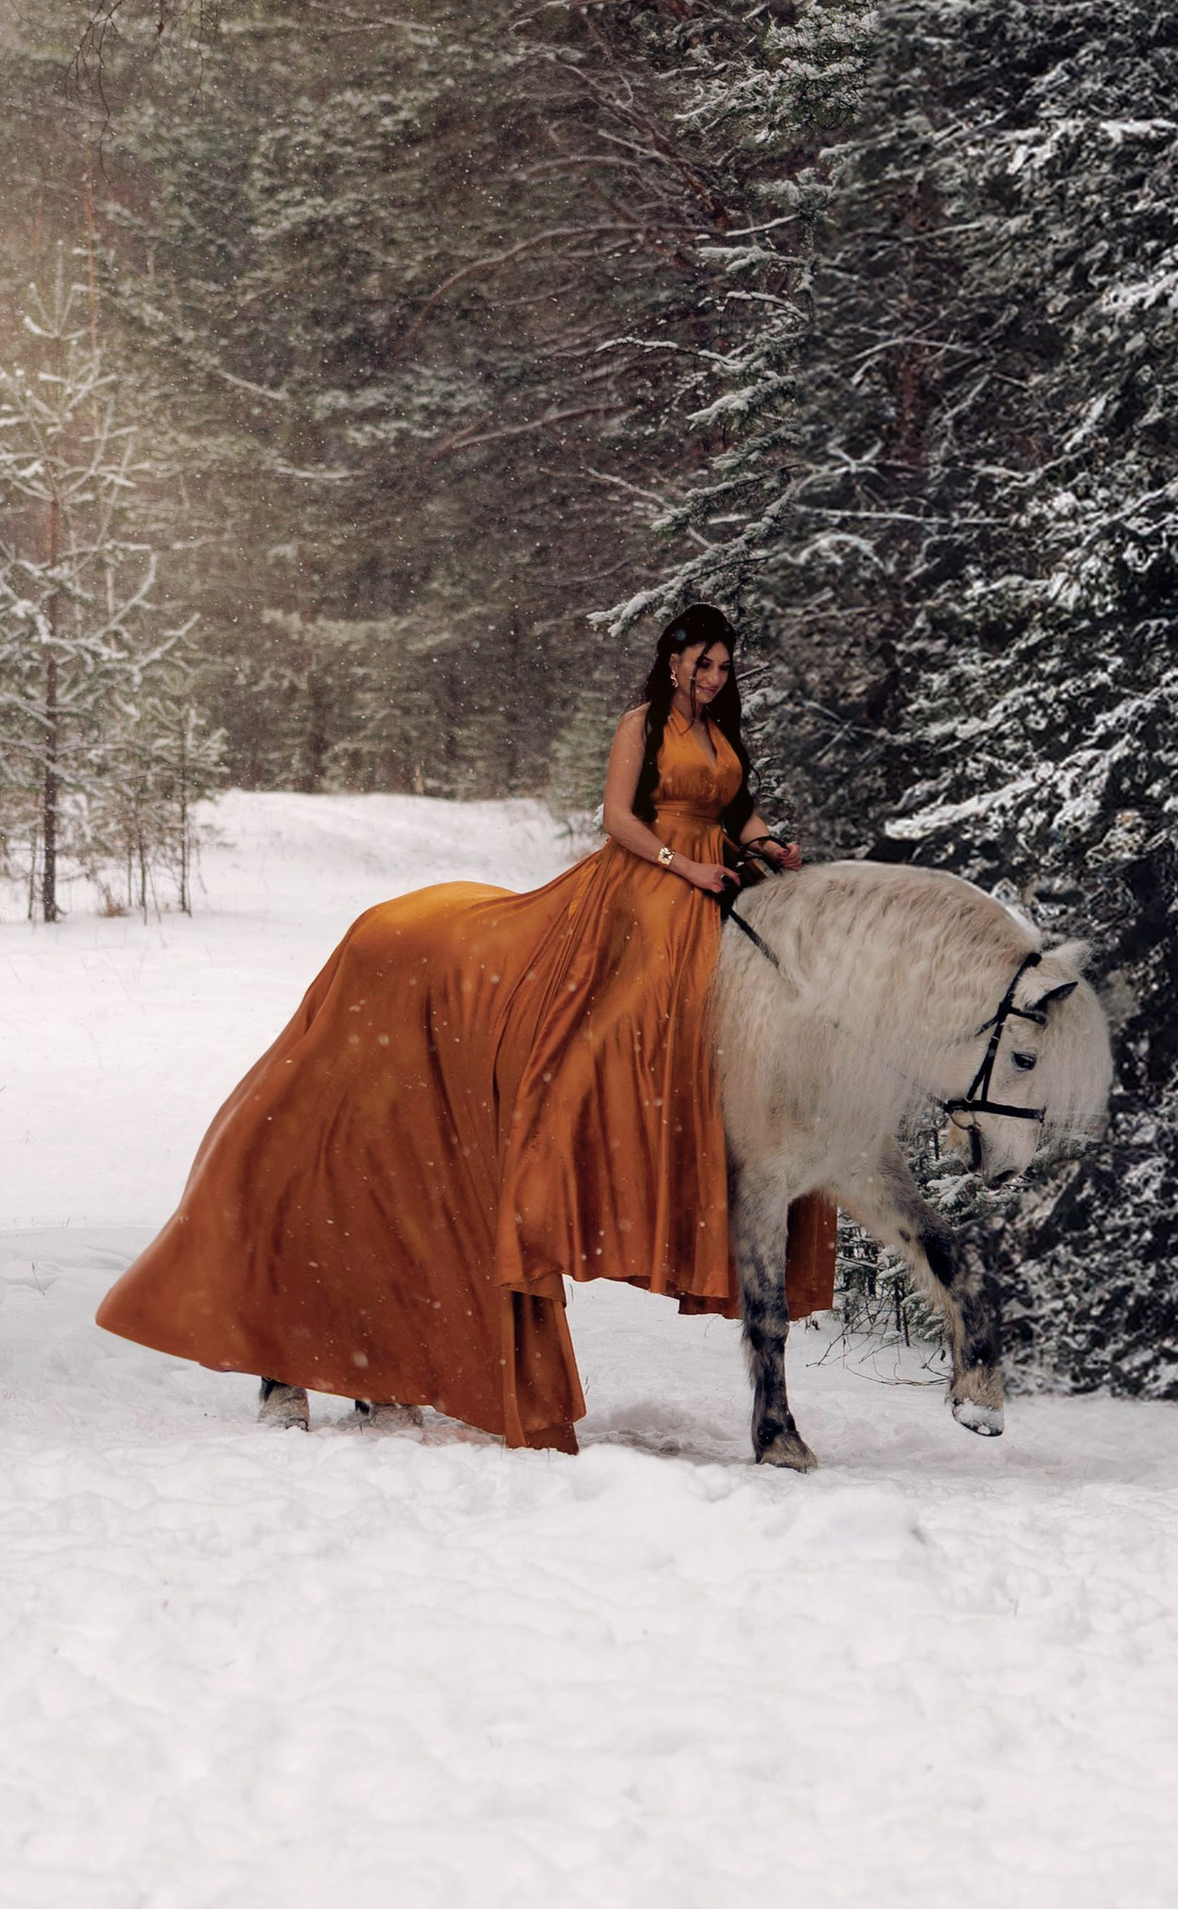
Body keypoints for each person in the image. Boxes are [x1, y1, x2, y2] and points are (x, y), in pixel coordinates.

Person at [93, 604, 836, 1453]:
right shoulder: (645, 724)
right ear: (672, 664)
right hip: (646, 884)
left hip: (710, 882)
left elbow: (741, 809)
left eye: (721, 669)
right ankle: (590, 1126)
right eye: (701, 666)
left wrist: (766, 842)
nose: (713, 680)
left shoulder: (722, 734)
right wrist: (682, 863)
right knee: (622, 1015)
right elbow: (617, 820)